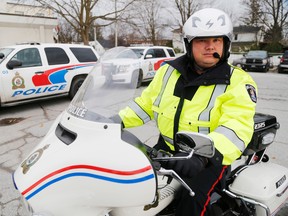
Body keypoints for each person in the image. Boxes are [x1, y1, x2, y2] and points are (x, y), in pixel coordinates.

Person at [118, 8, 257, 216]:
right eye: (202, 40)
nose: (210, 46)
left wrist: (202, 156)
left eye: (216, 40)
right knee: (131, 188)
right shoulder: (168, 71)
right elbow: (145, 104)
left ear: (225, 45)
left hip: (206, 160)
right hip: (166, 150)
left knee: (189, 202)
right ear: (189, 44)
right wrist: (113, 122)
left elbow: (236, 125)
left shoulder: (237, 81)